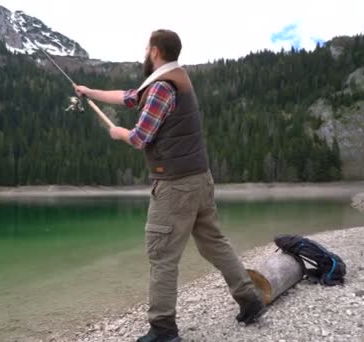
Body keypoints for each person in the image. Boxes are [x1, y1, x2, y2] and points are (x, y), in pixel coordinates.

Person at [74, 29, 265, 342]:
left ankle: (163, 329)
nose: (145, 51)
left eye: (147, 47)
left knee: (162, 255)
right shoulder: (174, 78)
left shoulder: (162, 87)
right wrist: (89, 91)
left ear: (154, 51)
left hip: (175, 186)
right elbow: (129, 97)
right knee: (214, 242)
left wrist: (118, 133)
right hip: (199, 180)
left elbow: (139, 138)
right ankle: (250, 301)